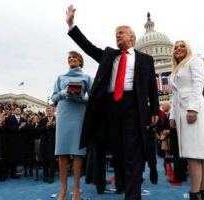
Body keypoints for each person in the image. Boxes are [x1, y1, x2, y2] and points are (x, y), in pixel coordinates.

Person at [66, 5, 160, 200]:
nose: (117, 36)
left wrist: (155, 111)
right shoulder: (110, 55)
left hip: (133, 106)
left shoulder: (145, 60)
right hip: (110, 107)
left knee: (132, 152)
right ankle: (122, 184)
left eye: (121, 33)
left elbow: (152, 87)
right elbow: (88, 47)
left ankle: (132, 196)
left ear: (132, 37)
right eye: (115, 34)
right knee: (117, 152)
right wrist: (71, 25)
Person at [168, 40, 204, 200]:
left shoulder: (195, 59)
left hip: (193, 109)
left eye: (182, 46)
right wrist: (172, 115)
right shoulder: (174, 71)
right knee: (198, 152)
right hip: (181, 111)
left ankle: (194, 193)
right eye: (176, 47)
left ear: (188, 49)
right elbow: (174, 96)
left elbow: (198, 83)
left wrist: (193, 107)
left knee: (195, 152)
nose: (179, 48)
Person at [51, 50, 92, 200]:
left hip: (79, 115)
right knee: (62, 152)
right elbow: (54, 98)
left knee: (78, 152)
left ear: (80, 61)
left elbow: (92, 99)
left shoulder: (87, 77)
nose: (71, 59)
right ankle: (63, 189)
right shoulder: (60, 77)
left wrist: (81, 97)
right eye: (69, 57)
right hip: (63, 114)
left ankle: (76, 189)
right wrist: (63, 93)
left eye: (74, 57)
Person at [37, 106, 56, 183]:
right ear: (46, 112)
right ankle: (45, 175)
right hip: (44, 143)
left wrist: (53, 126)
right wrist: (46, 126)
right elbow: (38, 130)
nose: (49, 112)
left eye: (50, 110)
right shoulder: (42, 120)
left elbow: (60, 130)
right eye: (47, 111)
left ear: (53, 111)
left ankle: (51, 176)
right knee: (44, 160)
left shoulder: (57, 119)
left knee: (52, 160)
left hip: (53, 142)